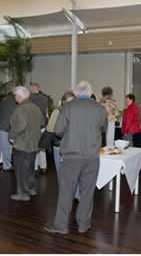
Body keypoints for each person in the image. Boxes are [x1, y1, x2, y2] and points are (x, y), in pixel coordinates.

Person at [44, 81, 108, 235]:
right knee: (87, 191)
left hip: (71, 156)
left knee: (66, 191)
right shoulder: (99, 108)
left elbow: (58, 130)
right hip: (92, 156)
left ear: (76, 92)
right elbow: (103, 128)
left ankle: (61, 226)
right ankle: (83, 224)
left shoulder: (68, 108)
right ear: (91, 91)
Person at [9, 86, 45, 201]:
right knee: (30, 168)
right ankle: (31, 188)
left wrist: (11, 135)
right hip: (34, 143)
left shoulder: (21, 108)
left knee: (20, 170)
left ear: (19, 96)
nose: (15, 97)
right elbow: (42, 122)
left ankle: (23, 194)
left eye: (15, 95)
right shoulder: (35, 107)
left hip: (22, 144)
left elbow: (21, 125)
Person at [0, 91, 17, 172]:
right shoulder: (14, 102)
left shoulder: (3, 101)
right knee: (7, 148)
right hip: (6, 128)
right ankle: (7, 166)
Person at [29, 82, 49, 173]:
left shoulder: (29, 99)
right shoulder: (45, 99)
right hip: (42, 125)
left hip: (32, 126)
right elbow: (46, 113)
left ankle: (35, 167)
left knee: (34, 147)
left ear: (32, 90)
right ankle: (43, 166)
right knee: (42, 147)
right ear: (39, 89)